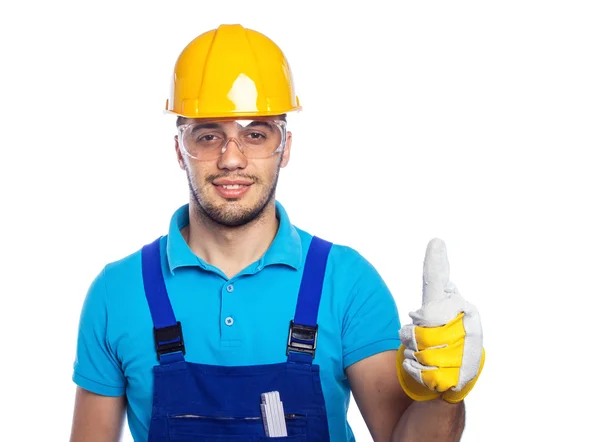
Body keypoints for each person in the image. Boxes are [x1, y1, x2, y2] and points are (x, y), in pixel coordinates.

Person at [69, 24, 485, 442]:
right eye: (209, 135)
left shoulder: (345, 282)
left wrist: (444, 393)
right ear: (181, 149)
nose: (232, 159)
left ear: (284, 147)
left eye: (255, 134)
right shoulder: (118, 291)